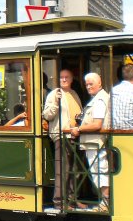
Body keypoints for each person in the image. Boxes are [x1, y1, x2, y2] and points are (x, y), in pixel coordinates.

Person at [69, 73, 111, 212]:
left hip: (96, 142)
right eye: (86, 84)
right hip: (95, 142)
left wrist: (78, 129)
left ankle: (106, 203)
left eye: (91, 84)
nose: (88, 87)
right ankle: (105, 202)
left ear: (99, 83)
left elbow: (97, 124)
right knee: (99, 171)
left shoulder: (99, 100)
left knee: (99, 171)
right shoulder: (100, 97)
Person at [42, 69, 82, 208]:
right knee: (63, 169)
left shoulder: (74, 94)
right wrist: (56, 103)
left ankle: (72, 198)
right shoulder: (54, 94)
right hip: (61, 135)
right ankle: (59, 201)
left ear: (72, 79)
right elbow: (47, 115)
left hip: (74, 135)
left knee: (74, 169)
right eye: (61, 77)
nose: (64, 80)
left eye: (67, 77)